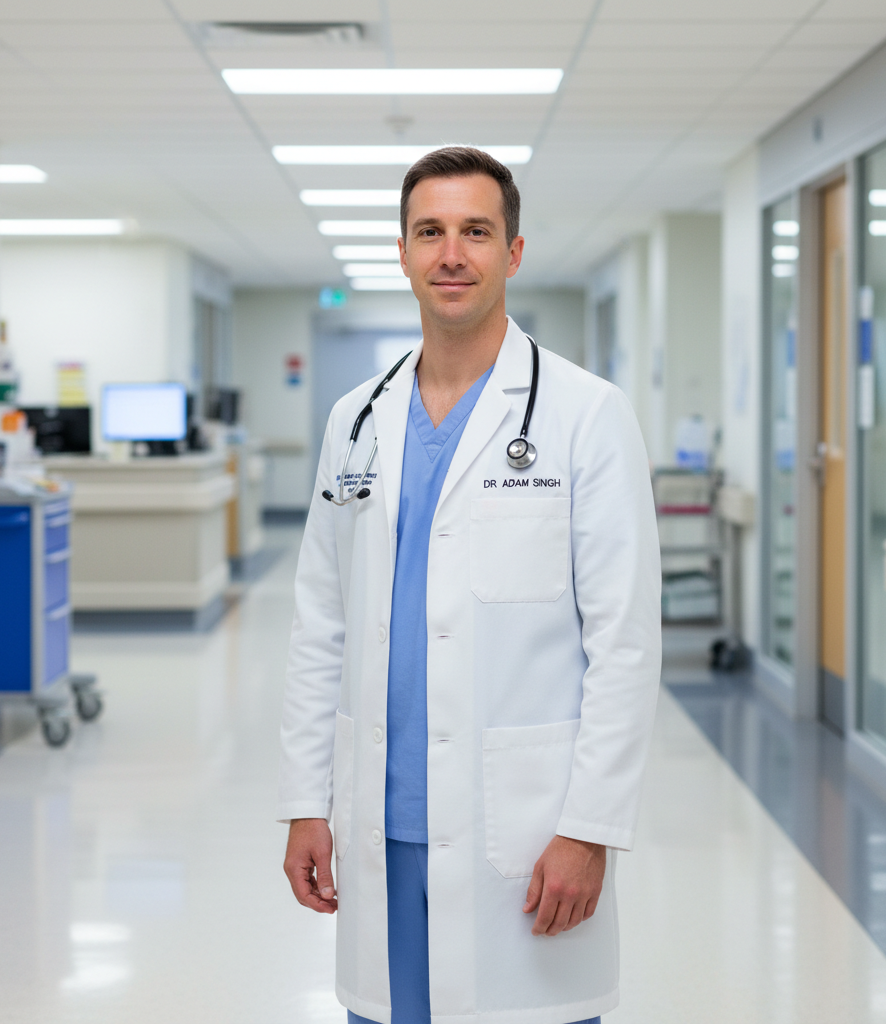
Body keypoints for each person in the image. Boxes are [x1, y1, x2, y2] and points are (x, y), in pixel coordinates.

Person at [278, 146, 661, 1024]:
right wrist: (306, 804)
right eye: (431, 232)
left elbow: (626, 644)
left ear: (513, 254)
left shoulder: (584, 414)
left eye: (476, 232)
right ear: (405, 252)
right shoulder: (357, 421)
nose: (453, 253)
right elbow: (320, 626)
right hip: (380, 822)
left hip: (522, 832)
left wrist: (590, 826)